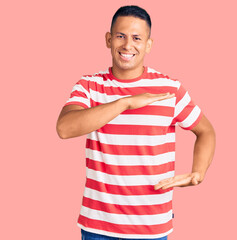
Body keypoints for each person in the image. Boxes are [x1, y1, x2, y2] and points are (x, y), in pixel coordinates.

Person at [56, 5, 216, 240]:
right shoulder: (89, 86)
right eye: (120, 36)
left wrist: (198, 173)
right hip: (97, 226)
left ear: (148, 44)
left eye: (137, 38)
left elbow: (206, 131)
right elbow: (64, 128)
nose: (127, 45)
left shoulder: (169, 90)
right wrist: (125, 103)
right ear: (109, 39)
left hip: (151, 225)